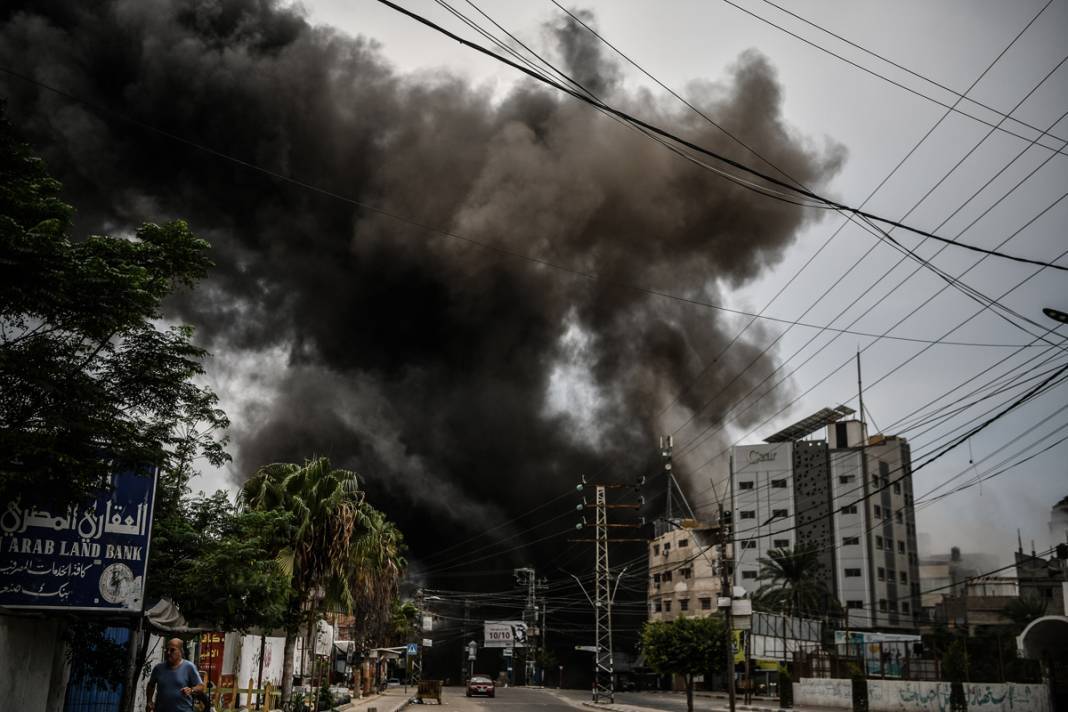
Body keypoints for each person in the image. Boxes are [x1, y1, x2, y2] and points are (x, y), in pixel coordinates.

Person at [146, 638, 205, 712]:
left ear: (180, 651)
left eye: (172, 650)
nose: (168, 652)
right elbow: (151, 685)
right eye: (167, 650)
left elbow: (201, 686)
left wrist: (191, 690)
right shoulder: (158, 668)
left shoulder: (189, 667)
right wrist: (149, 701)